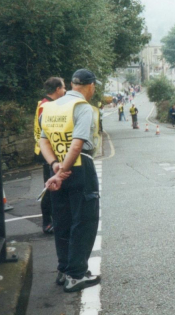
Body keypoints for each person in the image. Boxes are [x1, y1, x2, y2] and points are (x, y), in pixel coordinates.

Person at [39, 69, 101, 293]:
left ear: (73, 84)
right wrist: (64, 169)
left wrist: (55, 167)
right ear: (90, 86)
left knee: (62, 221)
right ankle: (76, 275)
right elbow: (77, 143)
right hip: (79, 168)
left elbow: (43, 140)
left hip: (56, 170)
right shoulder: (82, 107)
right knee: (84, 221)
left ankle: (64, 270)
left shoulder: (49, 107)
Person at [33, 77, 66, 234]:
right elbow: (46, 131)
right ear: (58, 89)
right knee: (49, 187)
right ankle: (47, 222)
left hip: (50, 151)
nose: (65, 91)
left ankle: (56, 219)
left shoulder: (48, 104)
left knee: (55, 185)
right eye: (64, 88)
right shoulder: (46, 106)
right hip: (47, 152)